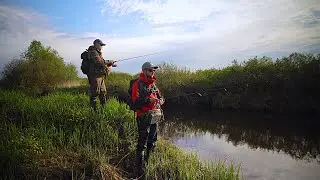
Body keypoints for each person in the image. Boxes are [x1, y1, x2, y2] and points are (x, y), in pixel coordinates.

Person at [131, 62, 165, 179]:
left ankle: (148, 164)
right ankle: (139, 170)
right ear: (144, 71)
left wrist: (161, 101)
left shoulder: (154, 85)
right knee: (142, 144)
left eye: (154, 71)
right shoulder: (137, 84)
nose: (153, 72)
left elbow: (161, 97)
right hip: (143, 116)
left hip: (154, 116)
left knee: (152, 141)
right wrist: (148, 100)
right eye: (151, 70)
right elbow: (136, 101)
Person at [87, 39, 117, 111]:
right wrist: (110, 61)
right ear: (96, 44)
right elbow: (99, 63)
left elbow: (102, 64)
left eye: (102, 45)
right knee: (94, 94)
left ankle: (104, 110)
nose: (102, 46)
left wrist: (110, 64)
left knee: (103, 92)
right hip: (95, 76)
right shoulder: (93, 52)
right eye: (101, 45)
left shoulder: (98, 53)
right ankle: (93, 111)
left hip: (100, 76)